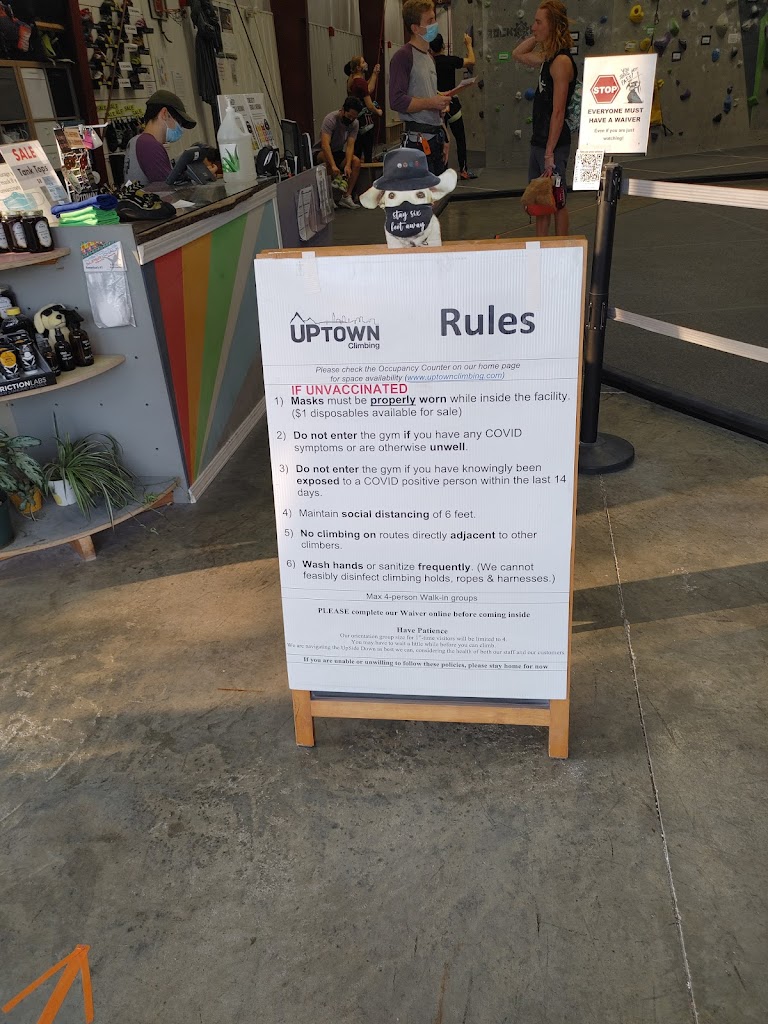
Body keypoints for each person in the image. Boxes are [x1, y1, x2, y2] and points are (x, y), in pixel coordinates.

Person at [512, 0, 576, 236]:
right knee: (540, 201)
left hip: (553, 145)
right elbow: (517, 54)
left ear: (553, 25)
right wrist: (539, 36)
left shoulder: (561, 62)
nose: (533, 26)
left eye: (539, 22)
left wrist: (550, 152)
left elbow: (558, 111)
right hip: (539, 141)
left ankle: (561, 251)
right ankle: (542, 252)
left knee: (557, 201)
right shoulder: (547, 57)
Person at [389, 0, 451, 176]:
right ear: (415, 28)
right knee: (424, 192)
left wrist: (445, 135)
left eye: (434, 19)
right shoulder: (403, 57)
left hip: (436, 138)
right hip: (418, 143)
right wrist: (432, 102)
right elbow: (396, 100)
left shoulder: (429, 58)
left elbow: (427, 95)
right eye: (430, 21)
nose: (435, 24)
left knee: (439, 190)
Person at [428, 32, 477, 180]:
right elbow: (472, 60)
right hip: (452, 104)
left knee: (441, 141)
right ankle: (463, 170)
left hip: (437, 106)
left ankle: (442, 171)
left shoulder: (429, 64)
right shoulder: (450, 60)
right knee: (460, 138)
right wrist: (468, 44)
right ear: (443, 46)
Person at [122, 89, 196, 186]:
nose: (180, 128)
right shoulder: (149, 145)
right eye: (179, 122)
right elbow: (168, 189)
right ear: (164, 113)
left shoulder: (135, 141)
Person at [313, 97, 364, 209]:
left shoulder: (354, 123)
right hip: (321, 151)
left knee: (356, 162)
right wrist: (333, 165)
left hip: (337, 152)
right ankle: (329, 197)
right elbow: (325, 145)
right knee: (327, 158)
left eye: (354, 117)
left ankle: (346, 197)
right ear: (343, 110)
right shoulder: (331, 119)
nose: (351, 119)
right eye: (349, 116)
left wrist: (348, 165)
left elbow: (350, 146)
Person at [345, 55, 383, 165]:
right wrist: (378, 111)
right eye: (363, 62)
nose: (365, 64)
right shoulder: (360, 83)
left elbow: (367, 88)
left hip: (356, 122)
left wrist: (374, 74)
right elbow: (370, 105)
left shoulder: (353, 80)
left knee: (357, 150)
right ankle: (367, 172)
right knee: (367, 153)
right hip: (364, 124)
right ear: (358, 67)